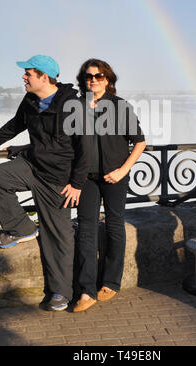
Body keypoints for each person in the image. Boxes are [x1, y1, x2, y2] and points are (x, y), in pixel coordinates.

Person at [0, 54, 92, 311]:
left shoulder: (72, 105)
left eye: (28, 73)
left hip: (59, 180)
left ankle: (60, 294)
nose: (23, 77)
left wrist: (76, 184)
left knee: (58, 237)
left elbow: (86, 148)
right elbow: (13, 126)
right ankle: (22, 227)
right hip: (31, 165)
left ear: (44, 77)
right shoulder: (30, 100)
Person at [72, 58, 146, 312]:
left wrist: (123, 170)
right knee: (86, 229)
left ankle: (111, 282)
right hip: (86, 179)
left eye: (99, 76)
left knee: (115, 226)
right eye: (89, 76)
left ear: (108, 79)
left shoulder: (120, 107)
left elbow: (139, 142)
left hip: (116, 176)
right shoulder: (76, 107)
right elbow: (63, 143)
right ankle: (86, 290)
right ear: (83, 80)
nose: (93, 80)